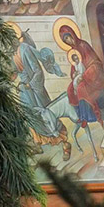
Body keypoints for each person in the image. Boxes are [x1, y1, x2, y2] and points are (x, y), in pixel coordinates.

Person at [14, 29, 70, 157]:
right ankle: (37, 144)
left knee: (46, 115)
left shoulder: (25, 49)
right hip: (24, 90)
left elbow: (37, 70)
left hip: (34, 89)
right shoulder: (12, 54)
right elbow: (15, 72)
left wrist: (30, 84)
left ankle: (65, 143)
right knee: (29, 116)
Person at [59, 25, 104, 134]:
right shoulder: (73, 51)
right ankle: (79, 115)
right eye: (65, 40)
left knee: (81, 88)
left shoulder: (83, 45)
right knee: (70, 89)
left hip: (93, 77)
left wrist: (85, 75)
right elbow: (73, 69)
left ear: (72, 34)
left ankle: (87, 116)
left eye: (68, 37)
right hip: (81, 77)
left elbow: (95, 63)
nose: (68, 41)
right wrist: (74, 75)